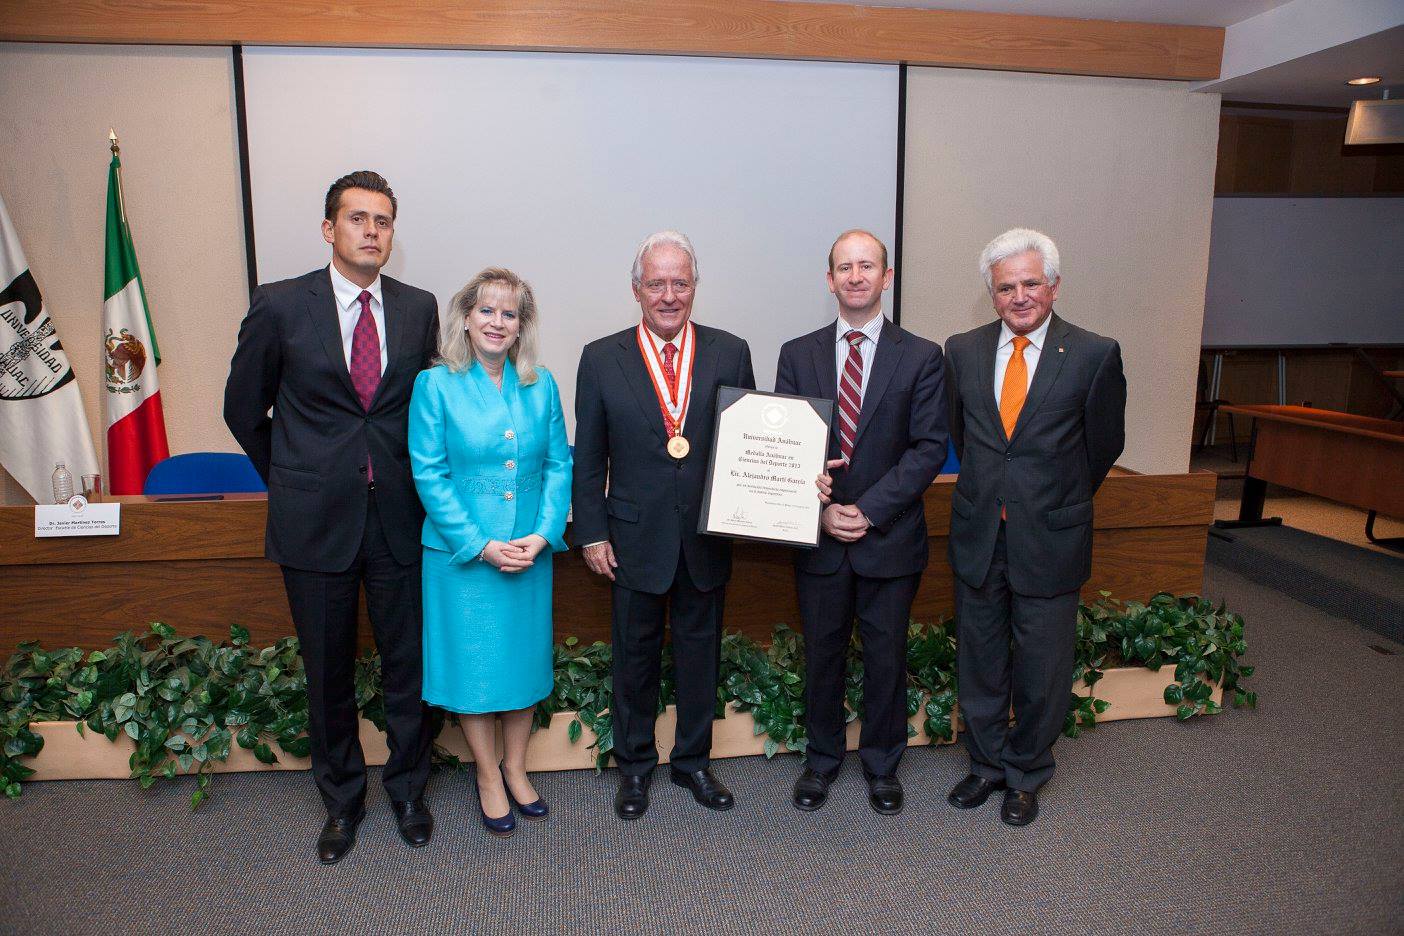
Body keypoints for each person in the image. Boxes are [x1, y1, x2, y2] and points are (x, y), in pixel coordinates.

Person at [224, 170, 438, 863]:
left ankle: (408, 789)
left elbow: (422, 411)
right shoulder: (281, 306)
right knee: (328, 670)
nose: (371, 231)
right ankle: (343, 801)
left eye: (382, 221)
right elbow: (241, 407)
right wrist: (291, 479)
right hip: (315, 522)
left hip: (401, 518)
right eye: (357, 219)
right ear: (329, 230)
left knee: (410, 666)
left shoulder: (418, 306)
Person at [944, 228, 1126, 826]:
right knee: (981, 659)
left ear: (1053, 285)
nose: (1019, 297)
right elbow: (963, 437)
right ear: (991, 295)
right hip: (979, 534)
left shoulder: (1095, 353)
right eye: (1005, 288)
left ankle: (1026, 772)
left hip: (1050, 536)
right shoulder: (963, 350)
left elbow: (1103, 445)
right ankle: (986, 765)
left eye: (1030, 283)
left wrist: (1049, 500)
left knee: (1044, 667)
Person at [573, 230, 755, 820]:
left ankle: (694, 763)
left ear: (695, 287)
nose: (669, 294)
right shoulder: (601, 357)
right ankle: (633, 768)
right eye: (657, 283)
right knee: (635, 656)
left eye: (681, 282)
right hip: (630, 538)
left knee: (701, 655)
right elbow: (588, 457)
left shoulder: (731, 351)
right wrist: (592, 531)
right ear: (637, 289)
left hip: (706, 537)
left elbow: (747, 447)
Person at [775, 230, 948, 815]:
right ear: (829, 280)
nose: (855, 276)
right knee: (822, 654)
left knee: (885, 655)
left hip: (890, 537)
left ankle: (881, 764)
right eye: (844, 267)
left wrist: (868, 511)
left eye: (866, 265)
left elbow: (927, 449)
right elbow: (783, 445)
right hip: (819, 537)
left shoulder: (923, 356)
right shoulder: (796, 354)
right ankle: (821, 762)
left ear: (886, 276)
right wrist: (821, 508)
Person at [408, 268, 571, 838]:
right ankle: (486, 775)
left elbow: (558, 464)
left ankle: (517, 767)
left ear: (522, 325)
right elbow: (429, 473)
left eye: (510, 313)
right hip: (463, 558)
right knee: (475, 670)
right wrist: (479, 545)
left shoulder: (541, 384)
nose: (498, 322)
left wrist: (545, 532)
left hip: (529, 552)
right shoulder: (436, 385)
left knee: (522, 667)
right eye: (487, 311)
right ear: (466, 318)